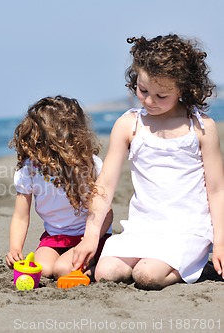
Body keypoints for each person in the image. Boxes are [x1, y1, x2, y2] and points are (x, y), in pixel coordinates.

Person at [73, 34, 224, 290]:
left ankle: (196, 263)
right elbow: (106, 183)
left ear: (183, 89)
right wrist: (90, 236)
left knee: (147, 275)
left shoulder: (200, 128)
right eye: (143, 91)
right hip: (143, 228)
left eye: (161, 95)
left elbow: (217, 189)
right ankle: (176, 263)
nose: (150, 101)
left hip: (187, 229)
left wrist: (220, 241)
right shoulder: (128, 124)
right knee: (105, 273)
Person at [5, 96, 113, 280]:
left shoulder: (89, 165)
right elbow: (21, 216)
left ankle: (93, 270)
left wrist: (89, 240)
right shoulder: (30, 170)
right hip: (55, 237)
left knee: (62, 269)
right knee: (43, 269)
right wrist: (15, 248)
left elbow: (106, 213)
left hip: (90, 236)